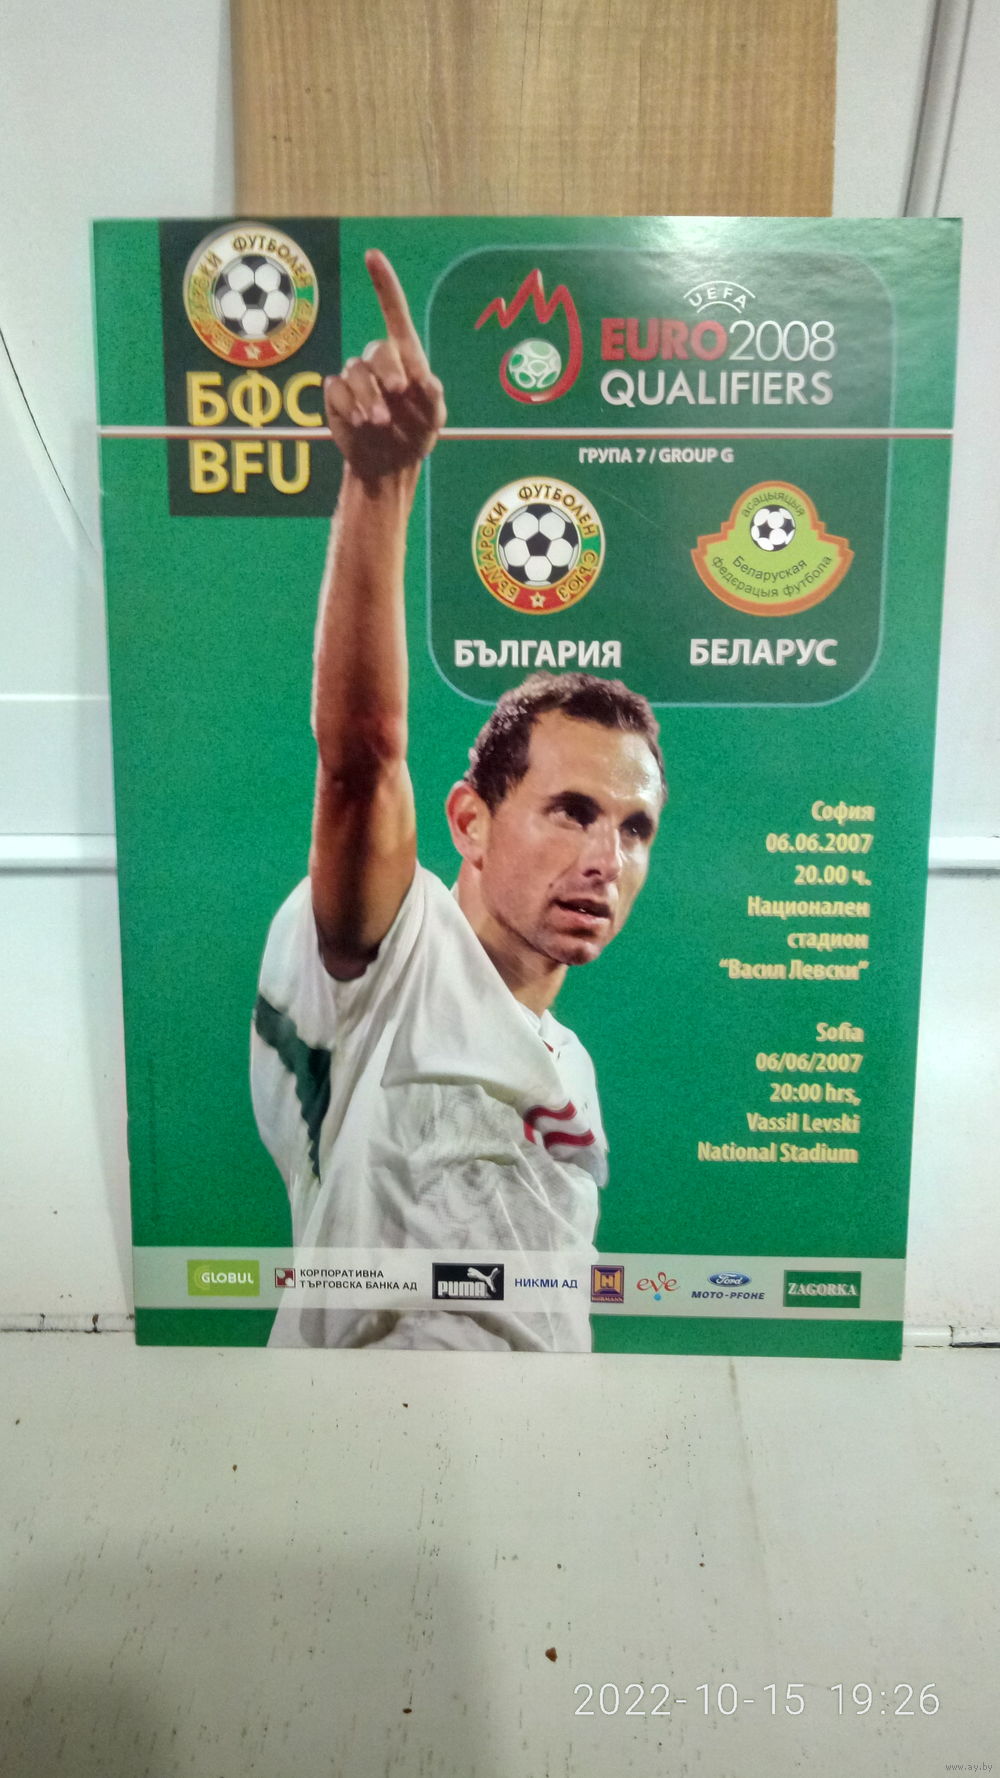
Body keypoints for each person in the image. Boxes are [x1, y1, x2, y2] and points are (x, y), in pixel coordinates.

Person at [251, 251, 666, 1352]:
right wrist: (379, 484)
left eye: (633, 827)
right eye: (571, 809)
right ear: (470, 821)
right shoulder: (393, 960)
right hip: (358, 1445)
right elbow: (359, 758)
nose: (606, 857)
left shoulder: (570, 1069)